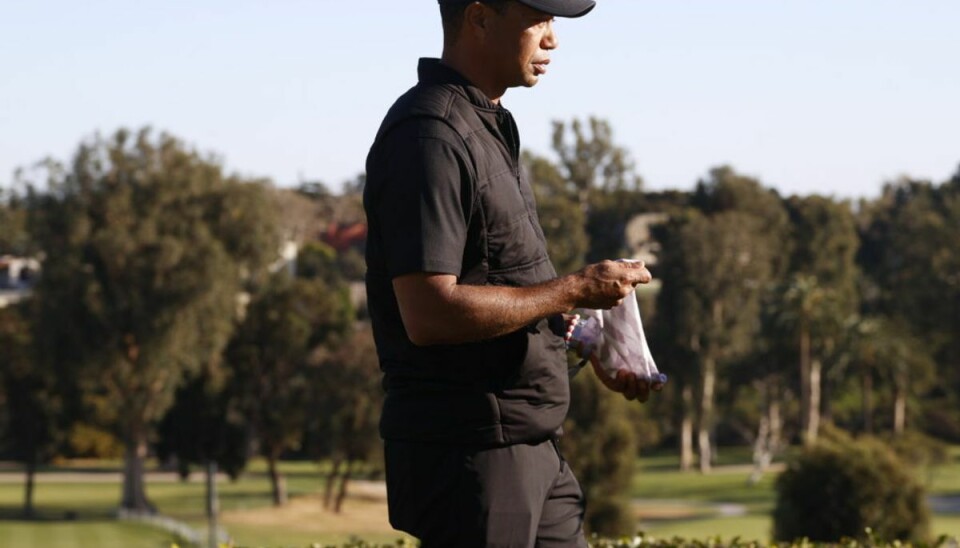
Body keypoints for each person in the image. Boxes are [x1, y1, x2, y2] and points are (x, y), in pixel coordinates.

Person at [363, 1, 662, 545]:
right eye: (539, 20)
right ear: (479, 17)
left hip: (530, 449)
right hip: (472, 459)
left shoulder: (486, 124)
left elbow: (503, 280)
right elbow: (429, 312)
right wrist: (575, 288)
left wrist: (587, 335)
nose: (552, 40)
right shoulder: (429, 137)